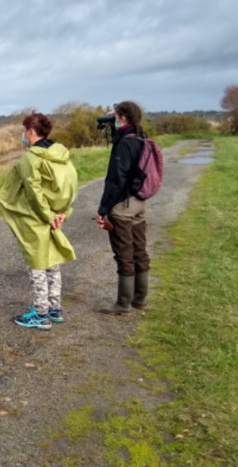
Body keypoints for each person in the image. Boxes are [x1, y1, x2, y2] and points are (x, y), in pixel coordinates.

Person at [0, 112, 77, 329]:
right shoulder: (61, 154)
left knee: (37, 264)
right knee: (52, 263)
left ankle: (41, 314)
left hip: (36, 218)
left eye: (25, 131)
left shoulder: (31, 158)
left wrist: (48, 216)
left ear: (31, 131)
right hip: (56, 214)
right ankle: (55, 308)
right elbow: (72, 184)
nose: (23, 135)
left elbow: (33, 192)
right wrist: (63, 213)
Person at [96, 101, 151, 315]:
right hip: (139, 202)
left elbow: (116, 179)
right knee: (140, 250)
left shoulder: (124, 143)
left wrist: (103, 208)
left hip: (123, 204)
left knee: (124, 253)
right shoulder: (141, 137)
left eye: (116, 116)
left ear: (124, 118)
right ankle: (140, 299)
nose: (114, 120)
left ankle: (123, 304)